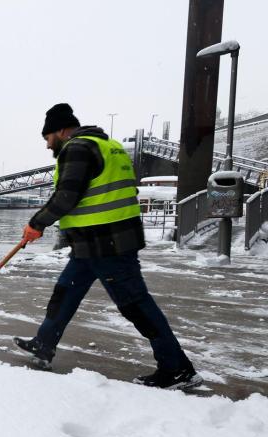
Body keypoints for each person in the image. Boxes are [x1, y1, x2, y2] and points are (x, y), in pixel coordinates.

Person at [15, 103, 201, 390]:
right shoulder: (109, 146)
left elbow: (67, 196)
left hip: (107, 244)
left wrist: (37, 223)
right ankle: (44, 344)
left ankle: (177, 369)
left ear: (63, 130)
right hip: (95, 243)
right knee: (65, 292)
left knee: (136, 305)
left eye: (48, 137)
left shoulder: (77, 148)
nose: (47, 143)